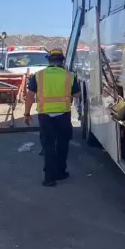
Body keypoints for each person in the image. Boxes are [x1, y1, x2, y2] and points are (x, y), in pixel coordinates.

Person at [24, 48, 81, 187]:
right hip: (63, 115)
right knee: (62, 144)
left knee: (48, 145)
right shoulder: (69, 76)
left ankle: (49, 178)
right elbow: (77, 94)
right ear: (62, 61)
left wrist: (26, 113)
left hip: (45, 116)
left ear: (49, 60)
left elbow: (30, 95)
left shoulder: (39, 76)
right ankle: (61, 172)